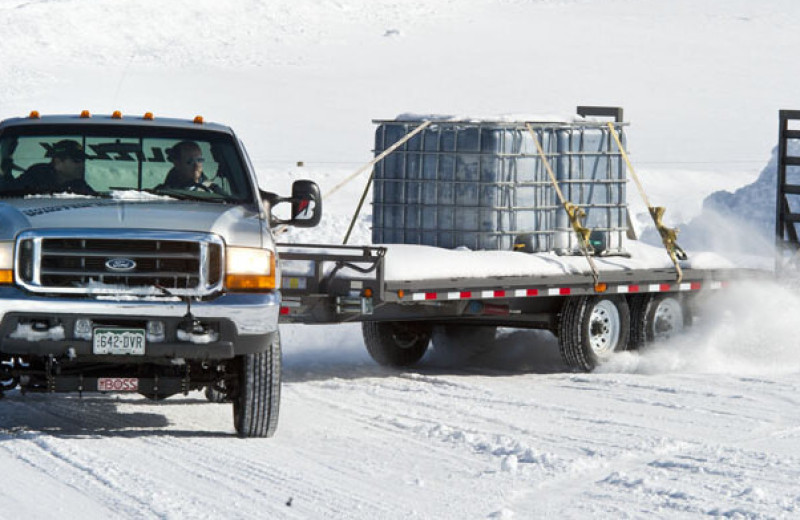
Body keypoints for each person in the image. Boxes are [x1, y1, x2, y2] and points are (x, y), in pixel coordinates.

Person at [10, 139, 95, 195]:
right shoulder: (35, 176)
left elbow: (94, 199)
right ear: (58, 162)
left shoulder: (79, 185)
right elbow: (10, 195)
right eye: (77, 160)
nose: (82, 165)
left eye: (83, 160)